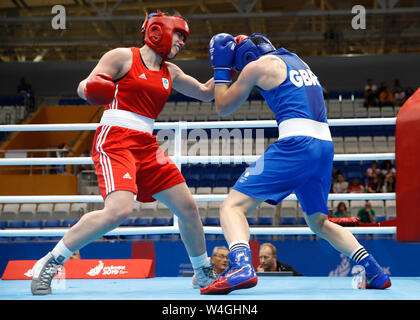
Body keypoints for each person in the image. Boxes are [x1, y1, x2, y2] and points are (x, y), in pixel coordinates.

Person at [30, 10, 216, 295]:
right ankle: (50, 262)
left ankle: (202, 271)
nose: (182, 42)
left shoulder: (171, 71)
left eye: (184, 38)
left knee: (188, 208)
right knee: (118, 210)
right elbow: (84, 85)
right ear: (159, 30)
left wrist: (229, 68)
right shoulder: (123, 56)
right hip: (115, 138)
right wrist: (94, 88)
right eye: (179, 34)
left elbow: (204, 92)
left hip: (146, 143)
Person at [200, 33, 390, 294]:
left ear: (246, 57)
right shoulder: (298, 60)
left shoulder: (257, 66)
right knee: (319, 222)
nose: (240, 71)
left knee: (231, 207)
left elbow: (222, 106)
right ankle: (375, 271)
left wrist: (221, 68)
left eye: (239, 65)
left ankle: (242, 266)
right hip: (324, 147)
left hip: (296, 145)